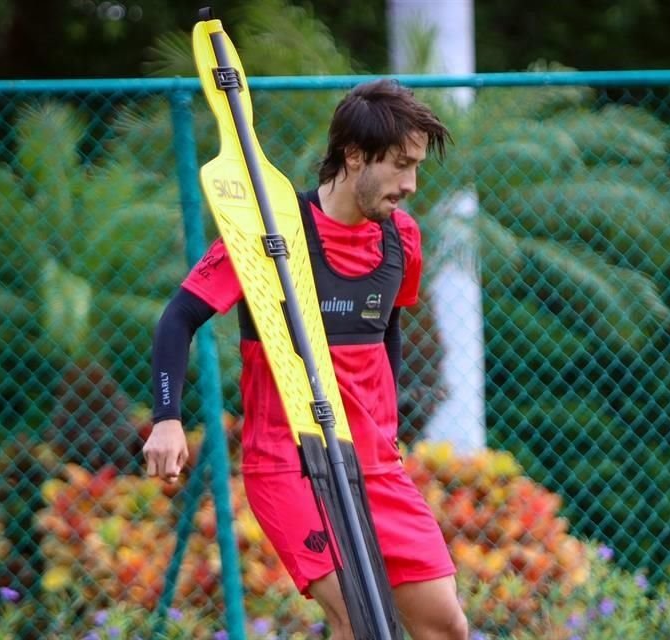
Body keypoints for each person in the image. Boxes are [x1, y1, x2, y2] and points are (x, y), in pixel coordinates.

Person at [143, 79, 468, 640]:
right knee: (357, 620)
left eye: (416, 167)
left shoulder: (401, 240)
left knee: (445, 626)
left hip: (374, 465)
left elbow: (384, 328)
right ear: (354, 156)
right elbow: (179, 319)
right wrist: (167, 419)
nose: (411, 185)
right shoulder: (266, 233)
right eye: (399, 166)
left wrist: (385, 426)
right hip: (290, 463)